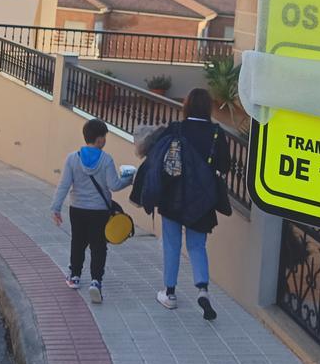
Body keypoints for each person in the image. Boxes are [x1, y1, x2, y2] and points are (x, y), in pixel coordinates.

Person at [131, 88, 230, 321]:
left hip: (172, 195)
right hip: (201, 200)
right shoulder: (217, 133)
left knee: (172, 245)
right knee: (197, 245)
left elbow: (155, 157)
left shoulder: (176, 129)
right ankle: (202, 290)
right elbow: (224, 166)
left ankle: (170, 293)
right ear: (207, 108)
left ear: (186, 106)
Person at [51, 118, 133, 304]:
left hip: (77, 208)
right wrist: (129, 179)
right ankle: (96, 281)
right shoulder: (106, 159)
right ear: (100, 139)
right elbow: (114, 185)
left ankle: (75, 276)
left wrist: (56, 207)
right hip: (99, 211)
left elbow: (64, 185)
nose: (105, 140)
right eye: (104, 136)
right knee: (98, 246)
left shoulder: (73, 158)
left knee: (78, 241)